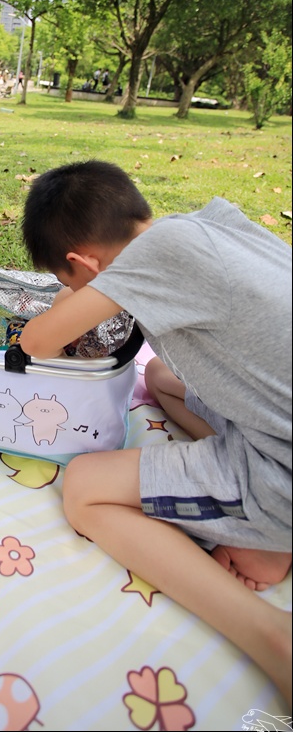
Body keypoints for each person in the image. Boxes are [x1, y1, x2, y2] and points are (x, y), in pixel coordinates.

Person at [19, 159, 292, 704]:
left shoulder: (144, 264)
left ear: (81, 263)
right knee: (162, 377)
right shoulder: (212, 221)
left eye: (67, 279)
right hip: (281, 423)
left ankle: (275, 637)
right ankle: (265, 538)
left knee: (83, 487)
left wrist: (65, 298)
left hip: (286, 473)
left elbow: (37, 343)